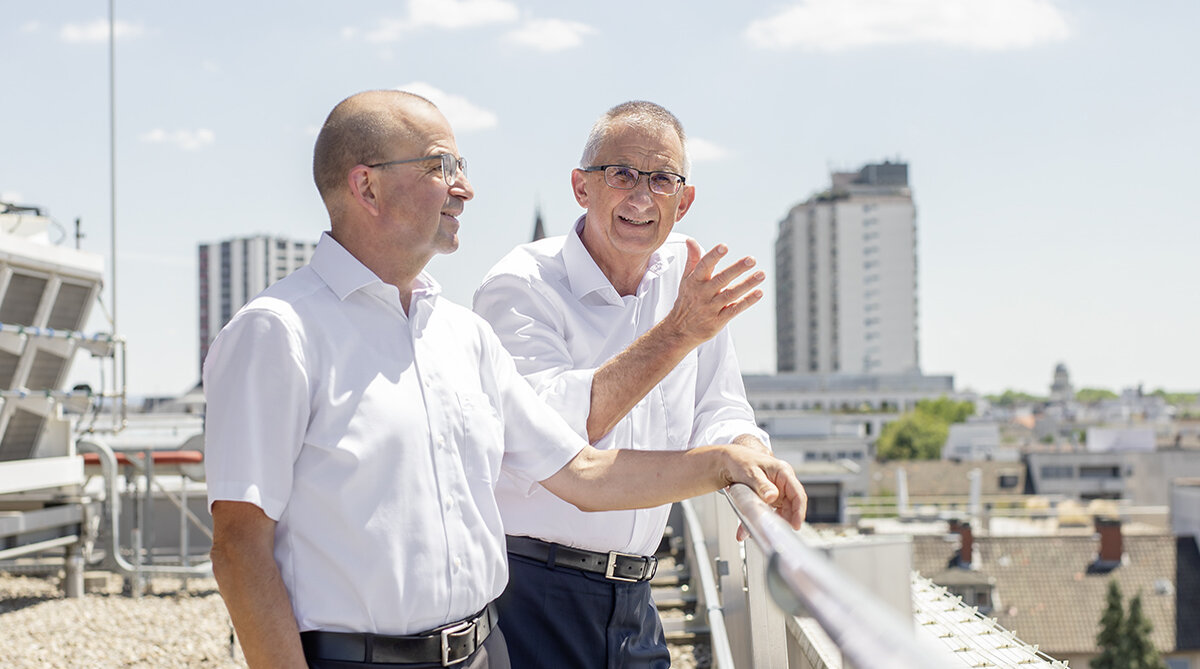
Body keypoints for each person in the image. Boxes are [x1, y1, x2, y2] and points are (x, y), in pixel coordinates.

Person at [204, 90, 806, 669]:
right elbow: (238, 549)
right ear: (367, 184)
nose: (465, 188)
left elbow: (581, 473)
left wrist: (731, 462)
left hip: (486, 651)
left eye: (460, 166)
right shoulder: (277, 333)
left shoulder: (462, 336)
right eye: (443, 166)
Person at [473, 100, 801, 668]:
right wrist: (678, 331)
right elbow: (557, 437)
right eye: (621, 174)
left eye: (662, 179)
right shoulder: (519, 286)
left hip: (635, 599)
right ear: (581, 186)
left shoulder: (685, 277)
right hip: (531, 590)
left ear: (685, 199)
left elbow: (720, 408)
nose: (641, 197)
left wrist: (753, 460)